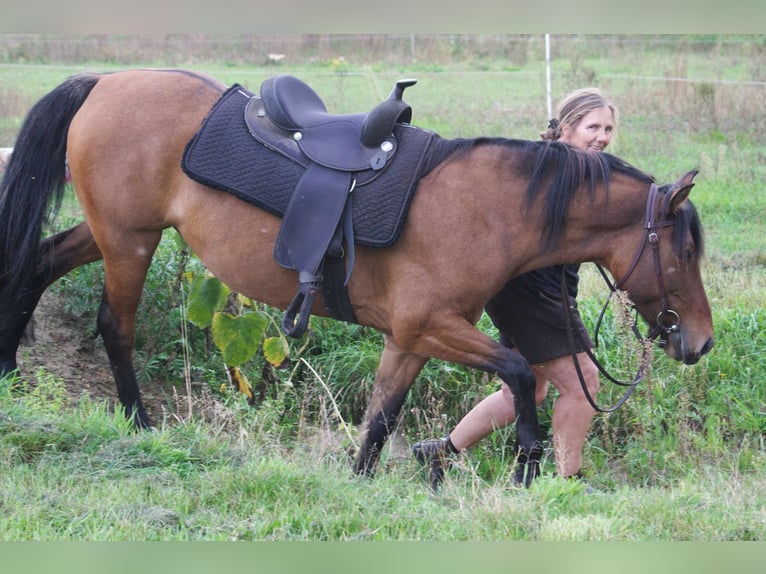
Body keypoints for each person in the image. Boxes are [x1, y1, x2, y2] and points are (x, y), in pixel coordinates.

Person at [413, 87, 619, 488]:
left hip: (532, 291)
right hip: (531, 292)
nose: (602, 136)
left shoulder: (578, 170)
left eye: (608, 128)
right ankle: (566, 482)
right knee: (583, 383)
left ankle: (439, 452)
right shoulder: (549, 168)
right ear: (566, 128)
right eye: (593, 126)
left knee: (527, 391)